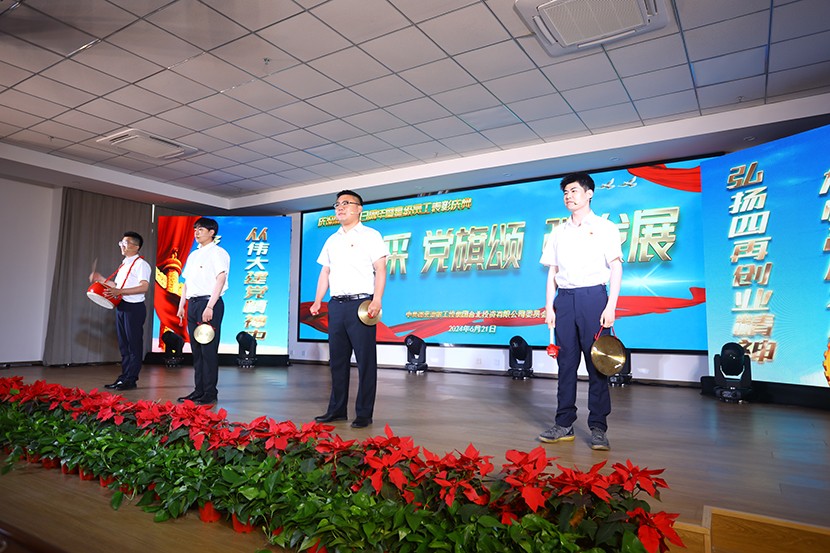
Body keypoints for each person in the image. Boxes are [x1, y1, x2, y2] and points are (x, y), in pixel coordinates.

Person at [538, 172, 623, 450]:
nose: (568, 196)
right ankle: (564, 423)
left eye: (574, 190)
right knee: (566, 364)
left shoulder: (605, 227)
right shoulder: (558, 232)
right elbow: (552, 271)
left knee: (598, 364)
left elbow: (616, 267)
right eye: (565, 192)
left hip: (593, 298)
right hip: (564, 300)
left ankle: (598, 427)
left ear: (589, 193)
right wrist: (549, 306)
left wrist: (611, 305)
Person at [310, 190, 387, 428]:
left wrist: (377, 299)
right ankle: (337, 410)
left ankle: (364, 413)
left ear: (359, 208)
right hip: (336, 305)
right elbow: (325, 271)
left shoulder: (371, 235)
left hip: (361, 305)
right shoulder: (332, 240)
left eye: (346, 203)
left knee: (365, 361)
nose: (340, 208)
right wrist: (317, 300)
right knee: (337, 361)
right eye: (337, 204)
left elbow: (381, 269)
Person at [176, 217, 230, 406]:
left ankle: (209, 392)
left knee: (208, 350)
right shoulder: (193, 255)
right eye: (195, 229)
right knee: (197, 351)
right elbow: (186, 283)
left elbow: (220, 279)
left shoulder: (218, 252)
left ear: (211, 232)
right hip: (193, 304)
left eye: (200, 229)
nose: (196, 232)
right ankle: (198, 390)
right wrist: (182, 305)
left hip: (209, 303)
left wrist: (210, 306)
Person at [90, 231, 152, 391]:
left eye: (125, 243)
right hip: (122, 306)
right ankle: (123, 377)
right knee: (124, 346)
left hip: (134, 308)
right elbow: (118, 286)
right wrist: (101, 279)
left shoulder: (141, 264)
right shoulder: (124, 263)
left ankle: (131, 379)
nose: (122, 246)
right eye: (121, 243)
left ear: (136, 247)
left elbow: (144, 287)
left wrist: (120, 292)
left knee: (133, 346)